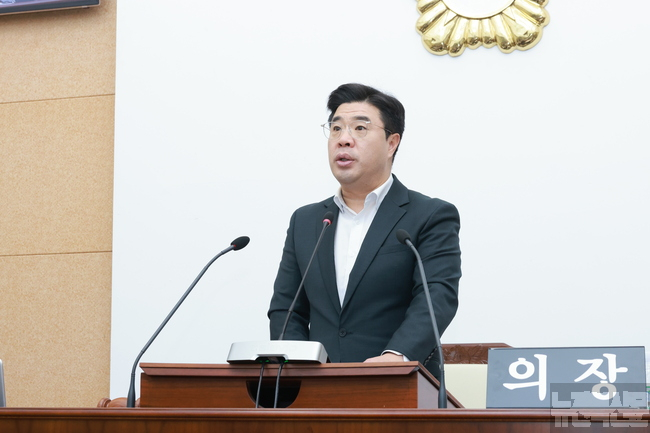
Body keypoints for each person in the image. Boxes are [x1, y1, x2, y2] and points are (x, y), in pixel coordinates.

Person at [268, 83, 461, 371]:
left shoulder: (430, 216)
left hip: (399, 384)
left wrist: (396, 357)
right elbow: (287, 309)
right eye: (336, 129)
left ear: (391, 143)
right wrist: (298, 364)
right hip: (315, 387)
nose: (343, 140)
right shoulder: (306, 221)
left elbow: (436, 298)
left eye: (360, 128)